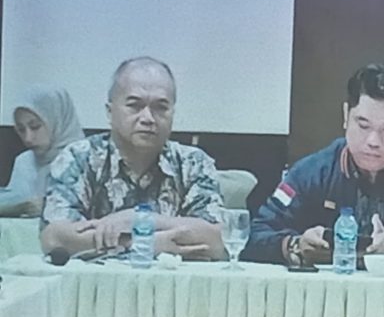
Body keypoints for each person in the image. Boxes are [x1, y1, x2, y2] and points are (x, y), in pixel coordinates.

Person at [243, 63, 384, 269]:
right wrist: (294, 245)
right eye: (363, 125)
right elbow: (255, 234)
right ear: (346, 116)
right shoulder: (312, 171)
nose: (373, 141)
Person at [40, 57, 226, 260]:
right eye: (134, 106)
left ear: (173, 113)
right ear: (110, 112)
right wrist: (141, 244)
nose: (148, 118)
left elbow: (217, 241)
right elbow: (54, 238)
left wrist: (141, 220)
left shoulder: (194, 163)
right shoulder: (79, 158)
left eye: (160, 108)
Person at [0, 86, 84, 217]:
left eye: (35, 127)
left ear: (57, 121)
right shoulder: (24, 161)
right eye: (21, 129)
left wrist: (51, 207)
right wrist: (16, 209)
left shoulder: (85, 159)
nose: (27, 138)